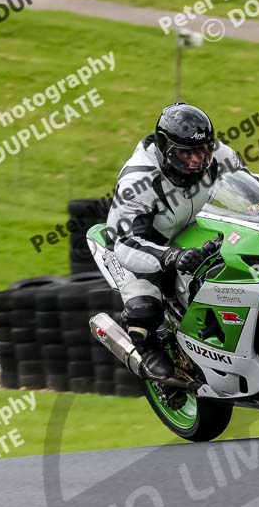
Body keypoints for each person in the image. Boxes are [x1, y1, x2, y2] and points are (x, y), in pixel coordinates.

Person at [105, 102, 244, 380]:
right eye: (186, 153)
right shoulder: (139, 180)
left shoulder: (221, 156)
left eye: (202, 152)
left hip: (198, 231)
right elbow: (124, 242)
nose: (196, 161)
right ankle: (146, 351)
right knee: (144, 306)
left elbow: (254, 186)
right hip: (141, 249)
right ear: (165, 149)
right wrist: (171, 257)